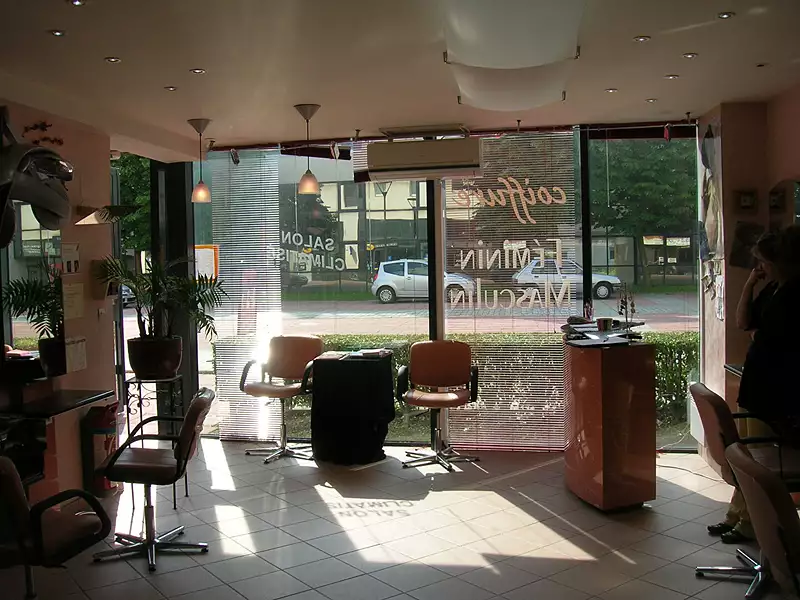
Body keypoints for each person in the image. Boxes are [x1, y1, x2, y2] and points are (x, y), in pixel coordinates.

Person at [709, 226, 800, 544]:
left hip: (776, 392)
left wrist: (761, 336)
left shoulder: (795, 294)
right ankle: (737, 515)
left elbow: (776, 337)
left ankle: (751, 523)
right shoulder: (773, 288)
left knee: (758, 461)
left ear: (782, 262)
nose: (760, 268)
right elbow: (743, 322)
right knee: (747, 458)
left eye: (764, 262)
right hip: (757, 384)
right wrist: (750, 283)